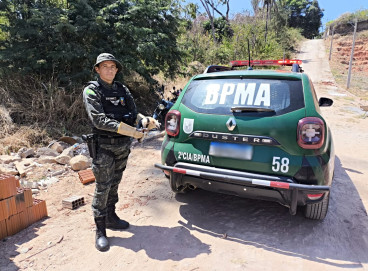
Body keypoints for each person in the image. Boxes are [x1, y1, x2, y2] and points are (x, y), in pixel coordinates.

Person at [83, 53, 149, 252]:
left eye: (113, 66)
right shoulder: (92, 91)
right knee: (103, 187)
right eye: (105, 66)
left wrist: (142, 120)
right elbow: (99, 120)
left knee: (115, 184)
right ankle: (100, 230)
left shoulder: (122, 89)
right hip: (104, 147)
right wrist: (131, 131)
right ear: (97, 69)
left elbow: (132, 112)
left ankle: (111, 217)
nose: (109, 70)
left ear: (117, 69)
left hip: (122, 147)